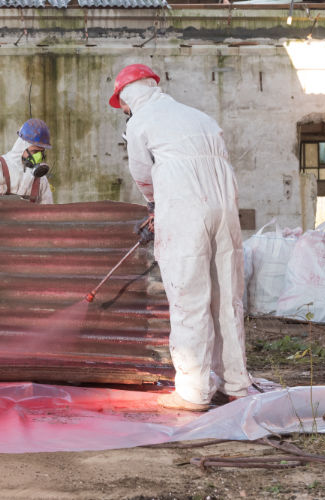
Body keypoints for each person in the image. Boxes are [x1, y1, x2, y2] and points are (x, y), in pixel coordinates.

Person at [110, 63, 250, 411]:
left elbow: (143, 175)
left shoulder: (140, 121)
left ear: (127, 97)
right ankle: (235, 385)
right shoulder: (199, 117)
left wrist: (155, 205)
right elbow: (221, 163)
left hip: (186, 210)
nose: (124, 111)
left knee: (190, 298)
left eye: (122, 105)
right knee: (227, 298)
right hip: (225, 208)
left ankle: (193, 392)